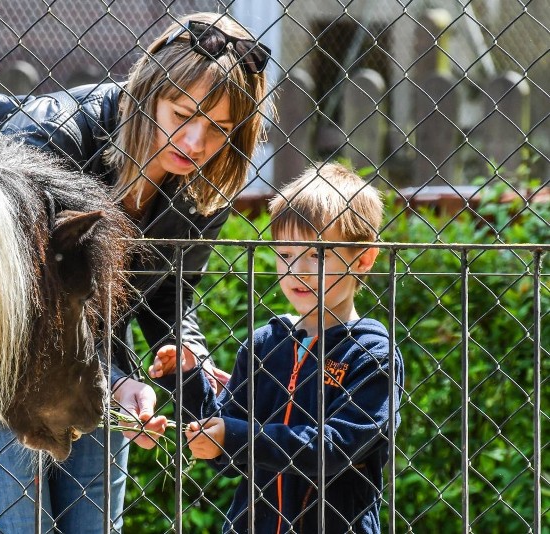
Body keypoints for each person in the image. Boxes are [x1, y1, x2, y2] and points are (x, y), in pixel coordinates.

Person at [0, 12, 273, 533]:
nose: (195, 142)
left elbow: (169, 293)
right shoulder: (55, 136)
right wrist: (118, 379)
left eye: (218, 128)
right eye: (181, 114)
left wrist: (185, 349)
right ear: (147, 91)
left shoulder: (201, 183)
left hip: (91, 372)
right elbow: (23, 300)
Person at [149, 163, 405, 533]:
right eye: (284, 254)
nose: (296, 270)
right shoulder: (264, 345)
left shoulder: (369, 352)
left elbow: (333, 449)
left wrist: (236, 437)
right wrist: (187, 379)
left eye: (317, 255)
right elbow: (226, 448)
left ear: (363, 258)